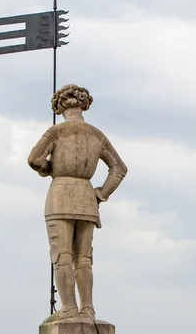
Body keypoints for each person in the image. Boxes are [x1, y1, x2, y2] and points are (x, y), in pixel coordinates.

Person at [27, 84, 128, 321]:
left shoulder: (57, 131)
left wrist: (48, 169)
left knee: (62, 255)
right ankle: (88, 308)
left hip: (60, 194)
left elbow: (34, 159)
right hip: (86, 198)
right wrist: (101, 193)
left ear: (60, 106)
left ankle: (70, 309)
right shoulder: (96, 135)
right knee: (83, 258)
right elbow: (119, 169)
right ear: (84, 104)